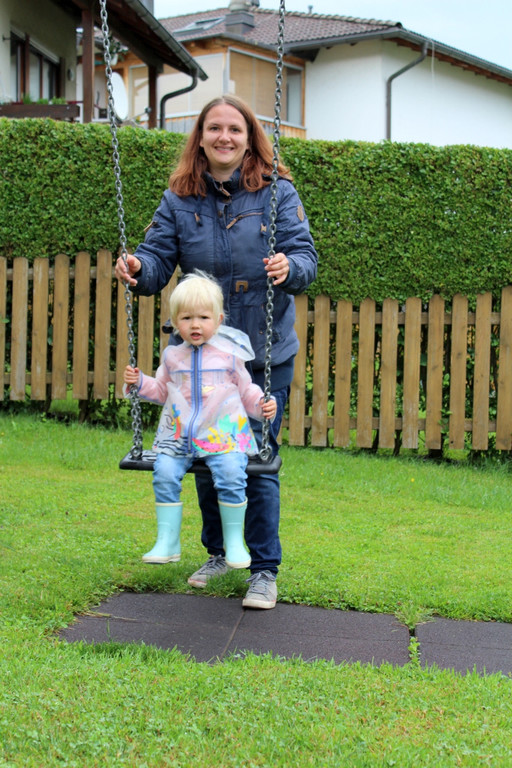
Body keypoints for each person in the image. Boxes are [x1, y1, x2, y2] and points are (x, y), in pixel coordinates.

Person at [115, 93, 318, 610]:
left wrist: (289, 268)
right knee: (203, 455)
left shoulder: (277, 192)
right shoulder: (179, 198)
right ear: (200, 138)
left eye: (234, 129)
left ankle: (264, 569)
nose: (224, 137)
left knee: (253, 457)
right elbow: (156, 261)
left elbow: (306, 258)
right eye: (214, 129)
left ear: (249, 139)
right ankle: (220, 553)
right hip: (199, 355)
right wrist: (138, 269)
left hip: (263, 350)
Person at [123, 271, 277, 571]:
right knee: (164, 473)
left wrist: (262, 405)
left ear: (218, 320)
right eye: (186, 318)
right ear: (175, 322)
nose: (195, 325)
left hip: (221, 435)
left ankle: (234, 542)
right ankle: (167, 541)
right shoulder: (172, 357)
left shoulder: (229, 356)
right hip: (179, 436)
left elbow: (246, 390)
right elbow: (161, 390)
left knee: (231, 474)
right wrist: (139, 383)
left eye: (203, 318)